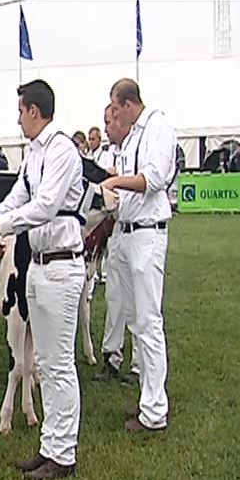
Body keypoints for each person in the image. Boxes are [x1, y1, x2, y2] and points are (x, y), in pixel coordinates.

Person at [0, 79, 86, 480]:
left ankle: (64, 453)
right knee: (42, 361)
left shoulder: (61, 149)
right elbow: (17, 195)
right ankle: (50, 446)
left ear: (34, 111)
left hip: (61, 265)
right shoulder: (35, 154)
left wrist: (2, 225)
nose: (18, 118)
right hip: (39, 264)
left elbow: (43, 207)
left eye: (21, 110)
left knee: (59, 365)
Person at [100, 78, 176, 433]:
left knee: (148, 322)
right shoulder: (131, 138)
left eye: (116, 107)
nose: (114, 113)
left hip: (147, 235)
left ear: (128, 104)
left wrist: (115, 183)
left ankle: (155, 411)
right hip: (128, 234)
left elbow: (154, 178)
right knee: (135, 319)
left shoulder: (157, 126)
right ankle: (148, 399)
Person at [92, 103, 140, 386]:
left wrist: (113, 181)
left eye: (110, 122)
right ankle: (111, 356)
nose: (108, 127)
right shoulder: (114, 155)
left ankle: (138, 365)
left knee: (138, 303)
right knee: (114, 297)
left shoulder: (136, 150)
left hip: (138, 231)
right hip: (118, 231)